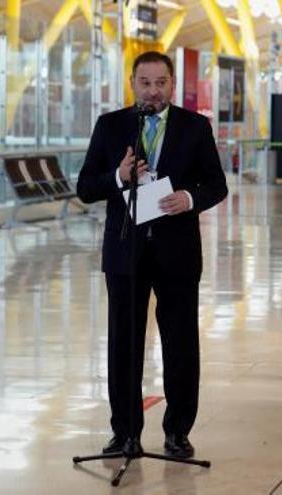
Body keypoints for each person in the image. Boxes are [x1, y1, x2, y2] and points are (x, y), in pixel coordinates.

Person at [77, 51, 228, 459]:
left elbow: (217, 184)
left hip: (177, 252)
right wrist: (118, 176)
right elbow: (85, 187)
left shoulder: (195, 127)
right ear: (132, 83)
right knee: (123, 342)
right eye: (145, 82)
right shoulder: (110, 127)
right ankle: (124, 432)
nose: (153, 90)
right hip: (125, 252)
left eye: (161, 82)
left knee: (180, 342)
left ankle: (178, 431)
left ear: (172, 84)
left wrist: (190, 198)